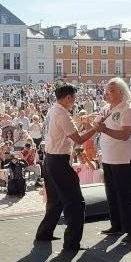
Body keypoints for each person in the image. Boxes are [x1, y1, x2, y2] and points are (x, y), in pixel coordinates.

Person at [35, 85, 98, 251]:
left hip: (50, 160)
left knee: (55, 201)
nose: (75, 101)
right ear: (68, 97)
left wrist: (81, 121)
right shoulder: (62, 114)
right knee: (75, 203)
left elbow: (65, 130)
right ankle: (71, 243)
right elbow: (78, 139)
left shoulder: (53, 110)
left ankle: (44, 233)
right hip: (59, 161)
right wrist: (95, 128)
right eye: (74, 98)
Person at [96, 78, 131, 242]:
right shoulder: (105, 109)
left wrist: (104, 129)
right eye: (106, 90)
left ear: (122, 92)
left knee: (126, 197)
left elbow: (124, 134)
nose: (107, 93)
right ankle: (117, 225)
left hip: (124, 159)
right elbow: (96, 127)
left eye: (111, 90)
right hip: (108, 158)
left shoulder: (128, 110)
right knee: (112, 194)